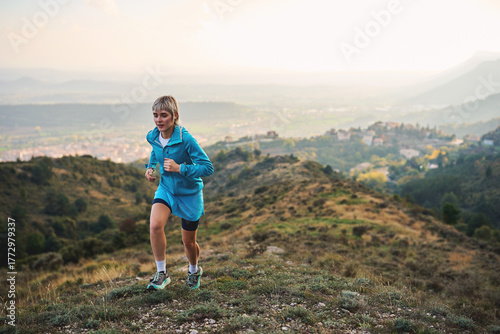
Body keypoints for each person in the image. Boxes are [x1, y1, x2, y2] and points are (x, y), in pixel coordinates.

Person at [144, 95, 214, 290]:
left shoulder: (186, 139)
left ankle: (193, 270)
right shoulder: (152, 135)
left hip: (189, 193)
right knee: (155, 225)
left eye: (164, 115)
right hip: (166, 189)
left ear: (174, 116)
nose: (159, 120)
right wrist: (150, 167)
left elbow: (207, 168)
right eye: (155, 115)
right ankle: (161, 273)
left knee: (189, 243)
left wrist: (180, 168)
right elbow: (155, 151)